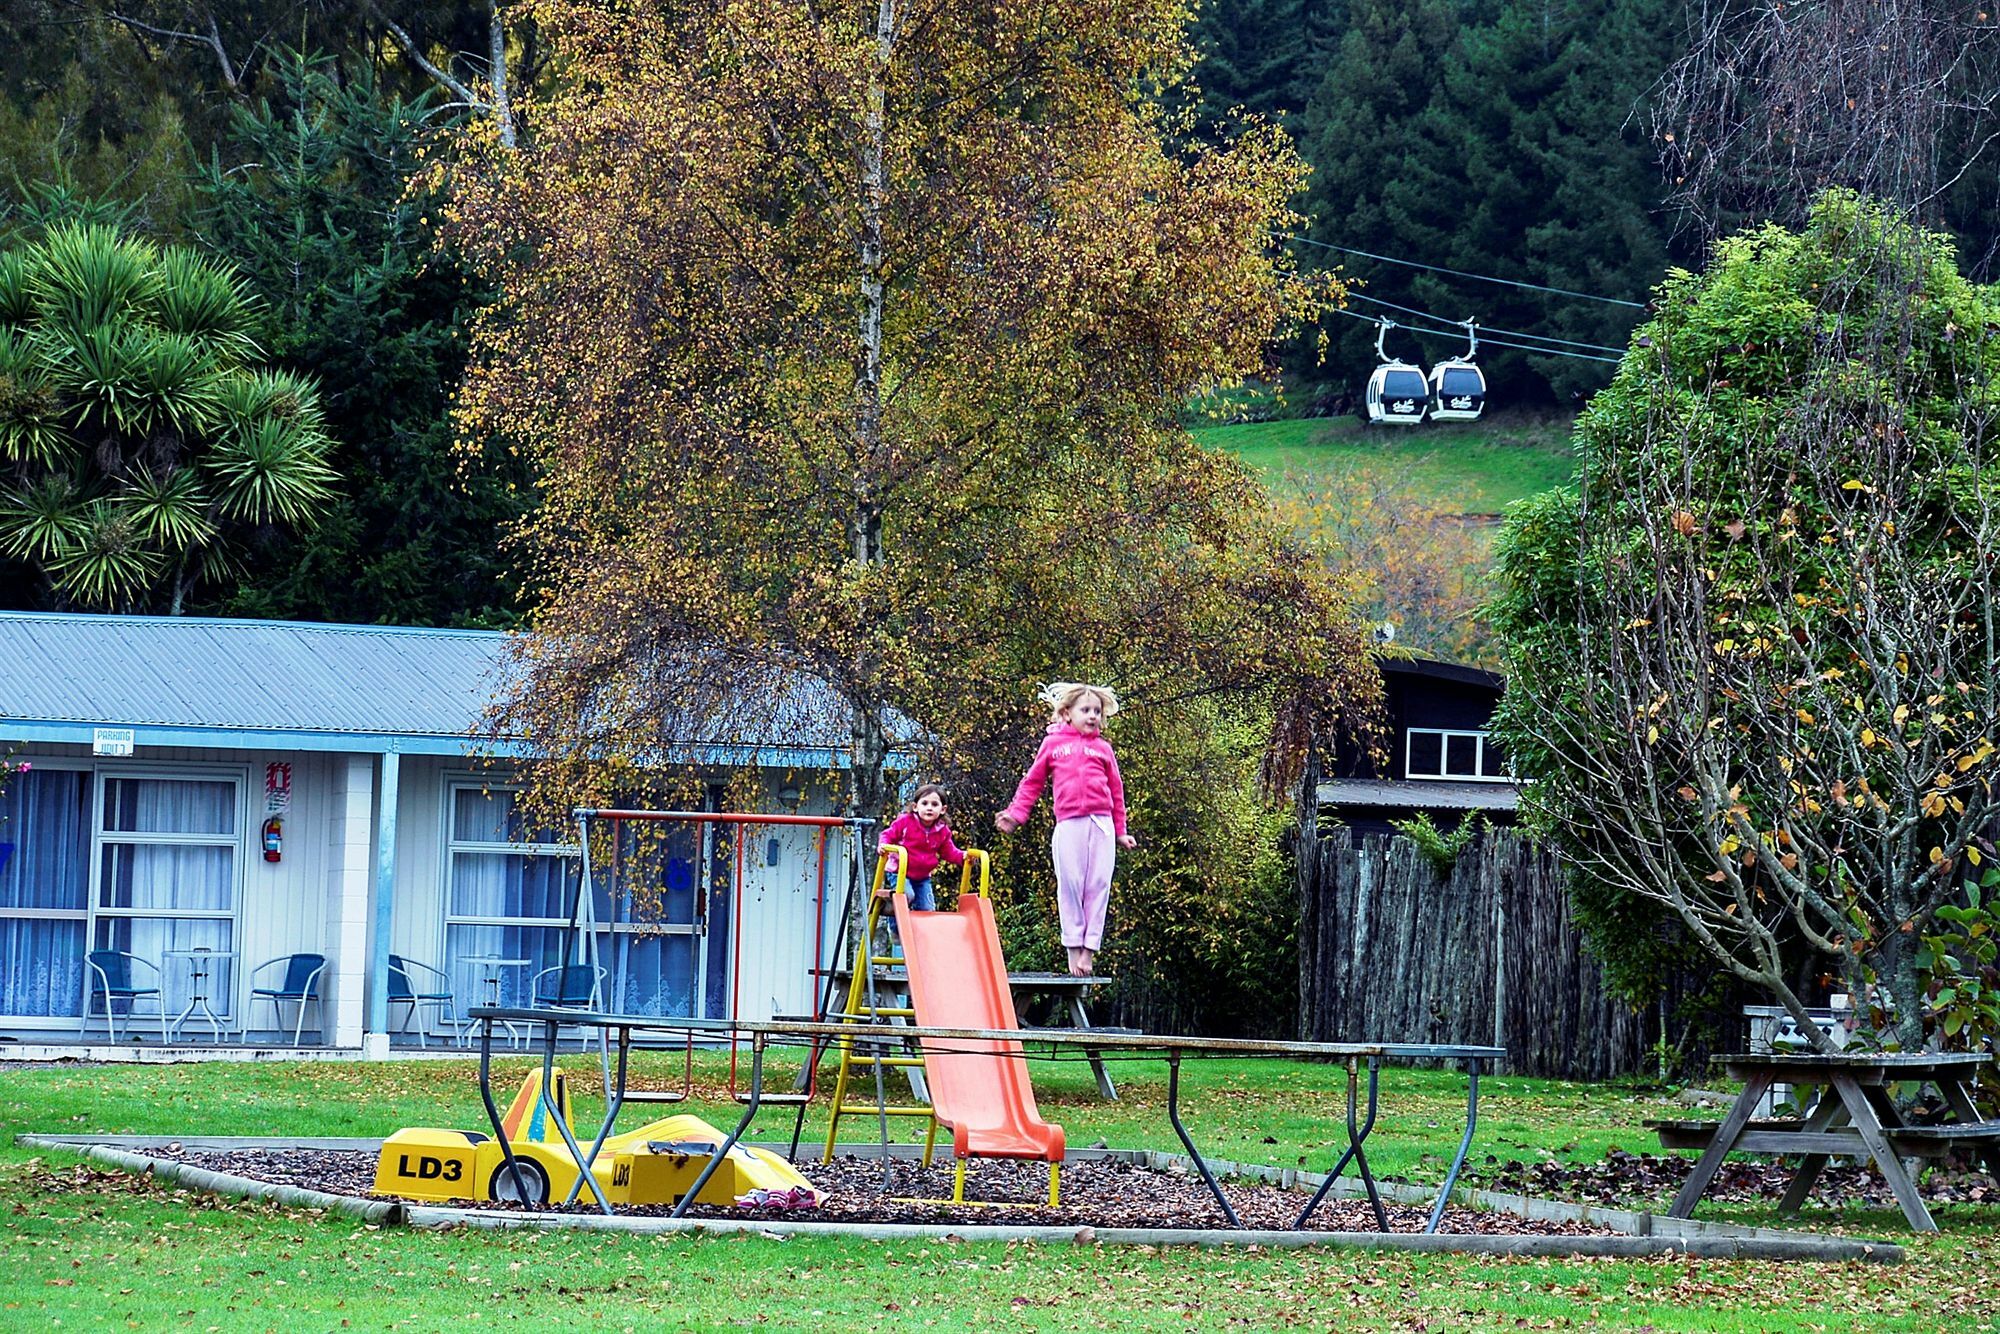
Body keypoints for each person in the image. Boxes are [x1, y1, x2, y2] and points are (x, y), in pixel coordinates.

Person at [994, 683, 1137, 976]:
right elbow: (1032, 783)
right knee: (1071, 883)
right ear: (1067, 713)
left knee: (1098, 885)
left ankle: (1089, 950)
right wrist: (1015, 815)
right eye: (1086, 710)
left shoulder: (1104, 749)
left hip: (1102, 824)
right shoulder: (1053, 745)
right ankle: (1073, 947)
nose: (1093, 716)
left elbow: (1117, 791)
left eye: (1097, 711)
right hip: (1069, 823)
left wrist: (1121, 831)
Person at [878, 783, 966, 920]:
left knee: (928, 909)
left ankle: (920, 937)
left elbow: (949, 852)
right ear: (915, 807)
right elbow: (888, 834)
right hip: (899, 871)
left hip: (922, 876)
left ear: (942, 810)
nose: (929, 808)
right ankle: (895, 930)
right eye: (924, 803)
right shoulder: (905, 822)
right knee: (906, 896)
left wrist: (963, 856)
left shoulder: (942, 831)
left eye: (934, 804)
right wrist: (883, 845)